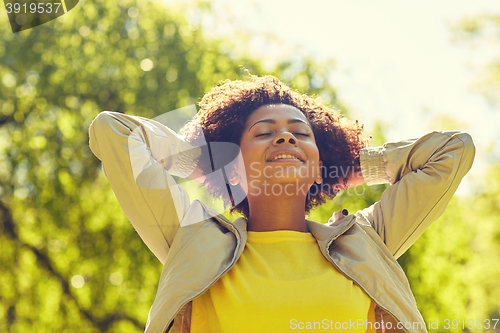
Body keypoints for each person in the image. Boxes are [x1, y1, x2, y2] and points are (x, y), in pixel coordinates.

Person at [88, 74, 475, 333]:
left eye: (300, 134)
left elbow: (453, 150)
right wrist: (212, 162)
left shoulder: (368, 241)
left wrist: (339, 168)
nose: (285, 138)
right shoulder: (190, 237)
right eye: (265, 133)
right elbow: (114, 132)